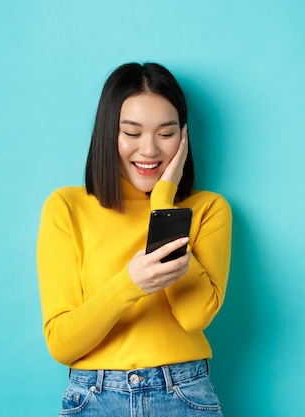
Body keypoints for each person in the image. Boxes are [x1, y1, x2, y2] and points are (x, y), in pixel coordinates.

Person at [37, 62, 232, 416]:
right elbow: (62, 344)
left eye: (165, 133)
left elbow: (194, 317)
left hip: (183, 394)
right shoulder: (66, 207)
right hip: (93, 397)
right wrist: (130, 283)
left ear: (184, 136)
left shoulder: (208, 209)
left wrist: (163, 203)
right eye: (132, 132)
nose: (149, 150)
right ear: (109, 133)